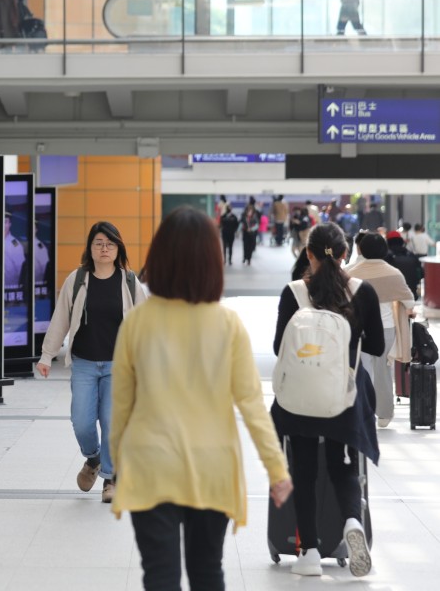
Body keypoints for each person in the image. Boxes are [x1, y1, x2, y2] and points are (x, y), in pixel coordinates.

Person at [110, 206, 292, 591]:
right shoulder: (227, 325)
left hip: (150, 463)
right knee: (208, 573)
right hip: (212, 466)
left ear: (159, 257)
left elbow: (121, 406)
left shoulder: (137, 323)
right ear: (212, 261)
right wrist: (276, 470)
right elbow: (252, 404)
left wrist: (118, 465)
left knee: (160, 578)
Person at [271, 222, 384, 578]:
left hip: (300, 398)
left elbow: (278, 348)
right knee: (343, 463)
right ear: (346, 254)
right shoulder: (362, 292)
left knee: (302, 469)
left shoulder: (293, 292)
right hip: (344, 396)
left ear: (308, 254)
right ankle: (352, 520)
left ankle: (309, 553)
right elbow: (378, 347)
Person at [36, 221, 147, 503]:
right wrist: (47, 355)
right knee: (82, 423)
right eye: (98, 243)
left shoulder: (130, 282)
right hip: (84, 363)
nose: (104, 248)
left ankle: (110, 479)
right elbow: (60, 319)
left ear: (118, 247)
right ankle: (93, 459)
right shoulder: (77, 280)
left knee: (112, 421)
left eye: (110, 244)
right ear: (90, 248)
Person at [348, 232, 415, 428]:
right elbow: (409, 300)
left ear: (361, 249)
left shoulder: (351, 272)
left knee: (359, 369)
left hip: (357, 329)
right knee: (383, 371)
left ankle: (360, 408)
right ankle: (384, 414)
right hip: (385, 329)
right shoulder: (393, 273)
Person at [385, 230, 422, 300]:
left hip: (392, 298)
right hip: (411, 295)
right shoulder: (412, 255)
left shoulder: (385, 257)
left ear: (388, 242)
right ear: (401, 241)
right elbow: (421, 274)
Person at [3, 210, 25, 293]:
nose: (3, 225)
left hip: (10, 287)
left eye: (5, 222)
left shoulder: (15, 244)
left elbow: (20, 270)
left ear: (9, 224)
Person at [241, 201, 259, 265]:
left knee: (250, 247)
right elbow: (241, 224)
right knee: (245, 246)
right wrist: (243, 229)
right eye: (248, 211)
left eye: (251, 211)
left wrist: (251, 229)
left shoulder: (254, 217)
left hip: (252, 234)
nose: (249, 212)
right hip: (245, 233)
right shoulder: (244, 217)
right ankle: (245, 257)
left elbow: (257, 225)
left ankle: (249, 259)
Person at [33, 220, 49, 285]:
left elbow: (45, 267)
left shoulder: (39, 246)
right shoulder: (24, 243)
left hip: (37, 283)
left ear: (36, 230)